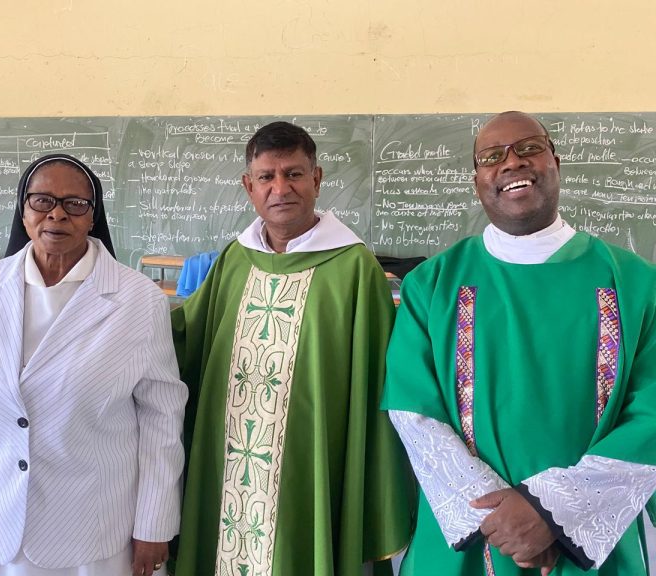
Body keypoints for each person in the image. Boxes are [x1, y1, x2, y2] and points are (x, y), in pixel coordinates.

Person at [382, 111, 656, 575]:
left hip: (590, 543)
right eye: (492, 157)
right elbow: (414, 411)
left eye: (529, 148)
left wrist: (553, 513)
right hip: (472, 537)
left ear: (555, 163)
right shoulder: (431, 285)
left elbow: (650, 415)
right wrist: (507, 523)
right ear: (477, 181)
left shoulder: (636, 284)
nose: (511, 163)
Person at [0, 153, 188, 576]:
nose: (58, 214)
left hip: (94, 530)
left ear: (92, 216)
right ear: (23, 211)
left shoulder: (138, 300)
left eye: (75, 204)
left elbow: (162, 419)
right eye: (42, 201)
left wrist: (154, 525)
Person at [171, 121, 414, 576]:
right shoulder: (234, 260)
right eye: (266, 177)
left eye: (294, 174)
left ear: (316, 179)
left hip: (312, 460)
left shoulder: (353, 268)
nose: (280, 189)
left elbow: (378, 380)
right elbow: (185, 337)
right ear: (249, 186)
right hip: (227, 464)